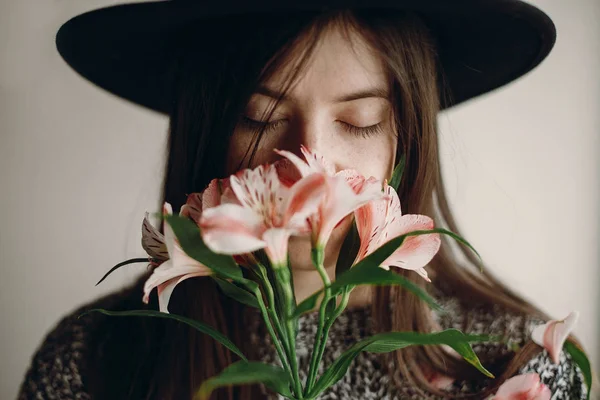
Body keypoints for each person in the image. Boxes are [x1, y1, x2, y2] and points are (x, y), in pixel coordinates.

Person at [18, 1, 590, 399]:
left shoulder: (518, 366)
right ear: (208, 131)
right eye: (260, 117)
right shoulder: (93, 359)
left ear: (407, 139)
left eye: (360, 121)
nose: (307, 169)